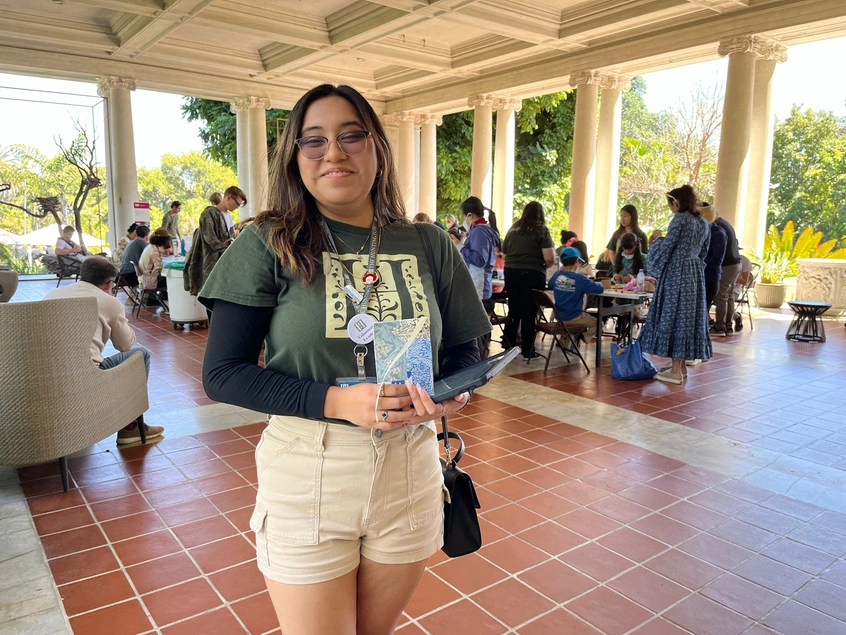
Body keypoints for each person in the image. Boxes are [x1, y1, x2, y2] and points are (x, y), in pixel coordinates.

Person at [198, 83, 491, 635]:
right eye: (315, 141)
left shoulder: (428, 242)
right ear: (295, 157)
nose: (334, 152)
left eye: (351, 135)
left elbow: (465, 349)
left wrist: (450, 390)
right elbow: (222, 373)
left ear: (377, 147)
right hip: (311, 464)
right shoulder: (267, 242)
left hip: (410, 464)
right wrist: (336, 400)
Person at [43, 257, 163, 444]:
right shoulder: (108, 301)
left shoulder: (51, 295)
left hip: (48, 377)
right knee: (141, 355)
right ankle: (129, 427)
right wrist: (117, 311)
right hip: (88, 376)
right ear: (109, 283)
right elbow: (125, 345)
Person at [638, 185, 712, 384]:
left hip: (677, 274)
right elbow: (704, 251)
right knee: (687, 319)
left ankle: (676, 371)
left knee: (674, 316)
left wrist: (656, 241)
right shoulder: (704, 222)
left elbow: (668, 246)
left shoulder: (680, 219)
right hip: (695, 275)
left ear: (676, 202)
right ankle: (679, 367)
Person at [502, 201, 555, 360]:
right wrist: (540, 267)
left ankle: (508, 346)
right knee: (529, 312)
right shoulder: (541, 229)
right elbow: (549, 258)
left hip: (510, 271)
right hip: (532, 273)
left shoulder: (513, 228)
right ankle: (527, 350)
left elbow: (504, 255)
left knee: (514, 309)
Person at [459, 196, 499, 359]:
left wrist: (461, 246)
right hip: (479, 282)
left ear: (469, 215)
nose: (463, 220)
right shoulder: (480, 230)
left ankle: (478, 355)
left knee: (477, 325)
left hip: (478, 283)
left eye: (463, 217)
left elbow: (479, 259)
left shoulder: (480, 231)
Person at [183, 186, 244, 295]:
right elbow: (210, 239)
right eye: (237, 203)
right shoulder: (209, 213)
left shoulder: (228, 216)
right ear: (228, 197)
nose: (237, 207)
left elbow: (230, 235)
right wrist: (230, 245)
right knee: (211, 296)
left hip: (225, 263)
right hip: (211, 262)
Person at [549, 246, 604, 340]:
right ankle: (579, 337)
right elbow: (600, 289)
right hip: (574, 317)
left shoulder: (557, 274)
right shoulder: (580, 278)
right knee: (598, 323)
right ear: (577, 261)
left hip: (559, 316)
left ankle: (569, 339)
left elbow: (550, 285)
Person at [713, 208, 742, 336]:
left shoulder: (719, 226)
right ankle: (728, 327)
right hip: (734, 263)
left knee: (721, 296)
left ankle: (719, 326)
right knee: (728, 296)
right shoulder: (725, 223)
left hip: (727, 265)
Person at [700, 203, 726, 327]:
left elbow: (716, 261)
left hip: (710, 278)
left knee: (703, 310)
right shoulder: (701, 233)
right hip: (699, 277)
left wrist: (697, 262)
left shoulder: (719, 234)